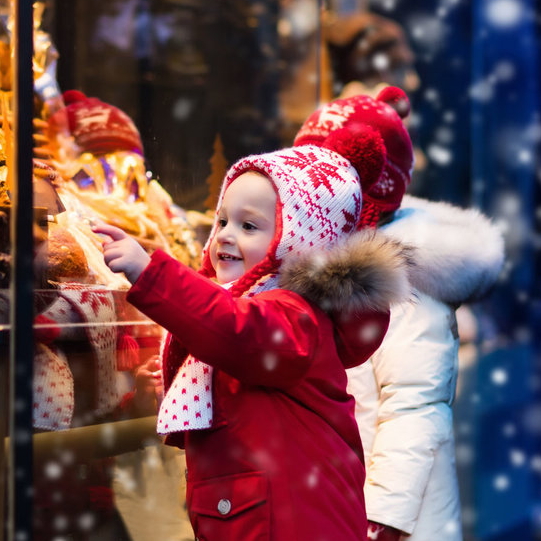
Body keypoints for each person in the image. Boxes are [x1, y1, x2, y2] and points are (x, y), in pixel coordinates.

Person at [93, 137, 411, 540]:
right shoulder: (257, 313)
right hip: (255, 516)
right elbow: (233, 390)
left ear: (298, 242)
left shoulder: (294, 315)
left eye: (248, 226)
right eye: (222, 220)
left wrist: (152, 273)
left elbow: (232, 329)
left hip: (292, 523)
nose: (225, 235)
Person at [293, 87, 505, 541]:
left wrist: (382, 516)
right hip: (340, 498)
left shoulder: (402, 280)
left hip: (394, 518)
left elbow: (416, 406)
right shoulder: (323, 263)